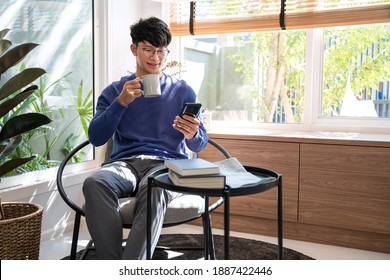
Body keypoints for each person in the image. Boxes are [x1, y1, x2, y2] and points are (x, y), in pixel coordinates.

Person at [82, 17, 208, 260]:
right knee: (94, 182)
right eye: (148, 50)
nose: (155, 58)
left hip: (165, 164)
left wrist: (193, 134)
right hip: (124, 164)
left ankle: (132, 267)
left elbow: (199, 143)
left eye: (161, 51)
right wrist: (120, 103)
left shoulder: (182, 91)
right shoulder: (114, 91)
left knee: (155, 187)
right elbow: (96, 137)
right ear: (134, 49)